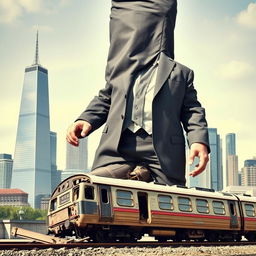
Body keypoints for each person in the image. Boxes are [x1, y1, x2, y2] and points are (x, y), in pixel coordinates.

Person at [66, 0, 210, 186]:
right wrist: (85, 120)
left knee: (164, 203)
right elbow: (106, 97)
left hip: (161, 154)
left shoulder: (180, 74)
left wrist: (198, 141)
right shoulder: (120, 69)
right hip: (118, 148)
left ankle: (144, 174)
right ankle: (139, 174)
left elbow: (192, 111)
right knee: (93, 186)